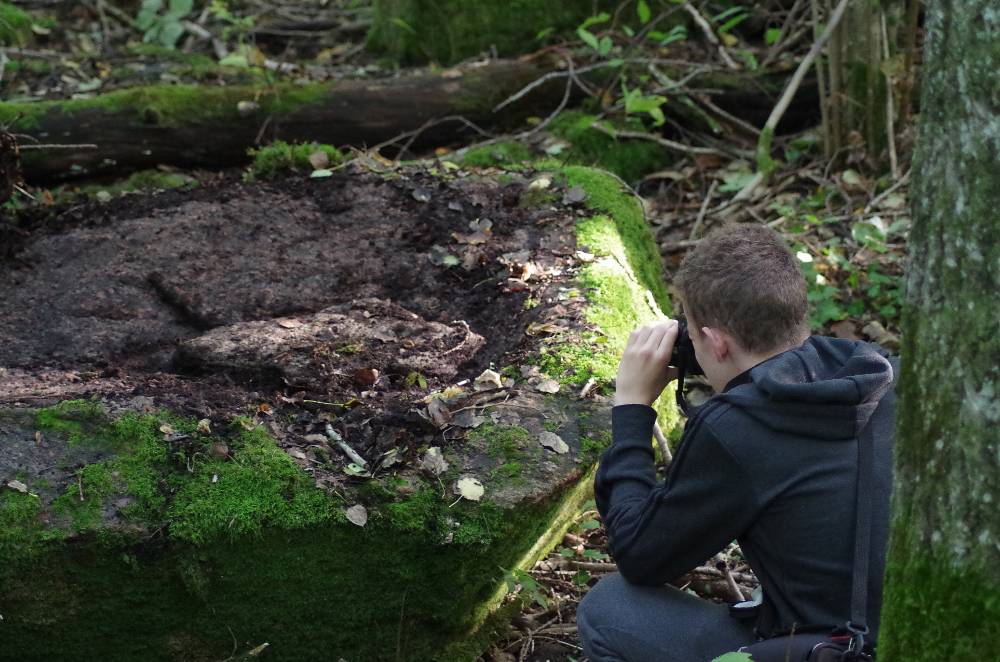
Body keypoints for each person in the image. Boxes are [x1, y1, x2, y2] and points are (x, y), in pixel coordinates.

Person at [576, 223, 897, 661]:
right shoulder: (884, 375)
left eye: (689, 328)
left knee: (611, 609)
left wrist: (631, 408)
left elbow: (640, 554)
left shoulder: (738, 428)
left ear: (715, 341)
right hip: (923, 628)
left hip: (832, 650)